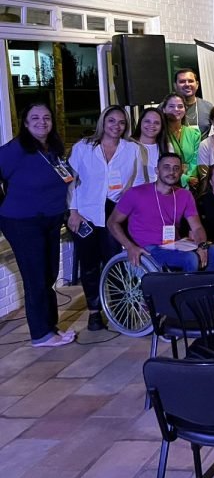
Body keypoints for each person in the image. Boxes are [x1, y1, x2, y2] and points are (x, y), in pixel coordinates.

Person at [0, 104, 77, 346]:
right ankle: (41, 335)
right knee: (36, 278)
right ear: (25, 123)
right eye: (35, 118)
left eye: (46, 118)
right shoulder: (14, 150)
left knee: (48, 275)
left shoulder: (52, 148)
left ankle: (50, 328)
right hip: (23, 222)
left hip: (50, 219)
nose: (41, 122)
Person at [68, 105, 147, 331]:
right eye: (112, 121)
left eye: (121, 122)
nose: (116, 126)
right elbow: (70, 181)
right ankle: (94, 312)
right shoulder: (83, 147)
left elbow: (139, 182)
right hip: (86, 213)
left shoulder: (131, 149)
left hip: (115, 213)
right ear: (103, 121)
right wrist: (72, 211)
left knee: (116, 261)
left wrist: (132, 204)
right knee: (90, 264)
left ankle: (120, 309)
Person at [108, 152, 214, 272]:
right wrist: (130, 247)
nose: (171, 172)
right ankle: (188, 290)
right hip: (148, 248)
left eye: (176, 168)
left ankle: (208, 288)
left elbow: (197, 227)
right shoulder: (135, 193)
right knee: (190, 259)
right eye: (166, 167)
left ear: (181, 172)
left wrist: (202, 246)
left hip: (175, 245)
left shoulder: (185, 195)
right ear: (157, 170)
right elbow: (112, 222)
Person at [160, 92, 201, 188]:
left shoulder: (194, 133)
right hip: (166, 182)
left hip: (191, 184)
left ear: (185, 109)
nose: (176, 109)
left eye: (180, 106)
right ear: (164, 110)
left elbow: (196, 159)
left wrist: (191, 177)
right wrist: (184, 178)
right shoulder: (160, 134)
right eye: (171, 106)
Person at [174, 68, 213, 137]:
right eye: (182, 81)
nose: (187, 84)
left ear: (197, 84)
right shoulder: (166, 108)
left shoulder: (209, 108)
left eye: (190, 81)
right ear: (175, 85)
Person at [133, 107, 167, 182]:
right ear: (140, 122)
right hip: (134, 192)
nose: (152, 125)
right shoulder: (129, 146)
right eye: (147, 121)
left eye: (156, 123)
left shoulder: (167, 147)